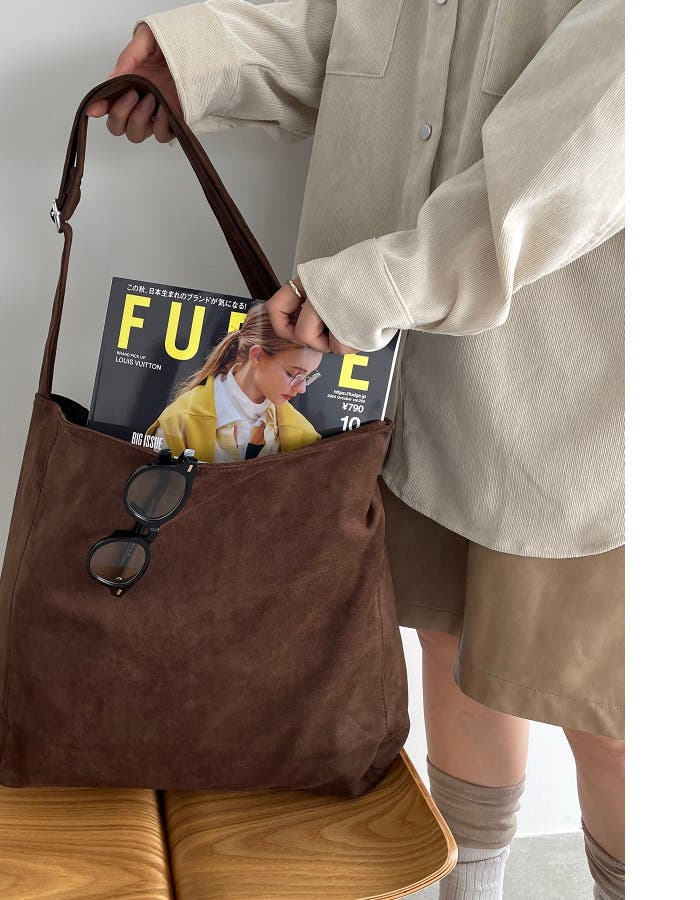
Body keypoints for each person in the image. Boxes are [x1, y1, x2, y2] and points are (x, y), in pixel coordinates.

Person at [89, 3, 625, 898]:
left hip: (567, 399)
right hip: (398, 378)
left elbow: (585, 153)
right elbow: (349, 28)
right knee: (451, 652)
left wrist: (372, 287)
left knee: (609, 720)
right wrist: (198, 58)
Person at [147, 302, 322, 462]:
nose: (302, 389)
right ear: (257, 356)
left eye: (307, 377)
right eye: (293, 374)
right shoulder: (177, 423)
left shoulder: (306, 437)